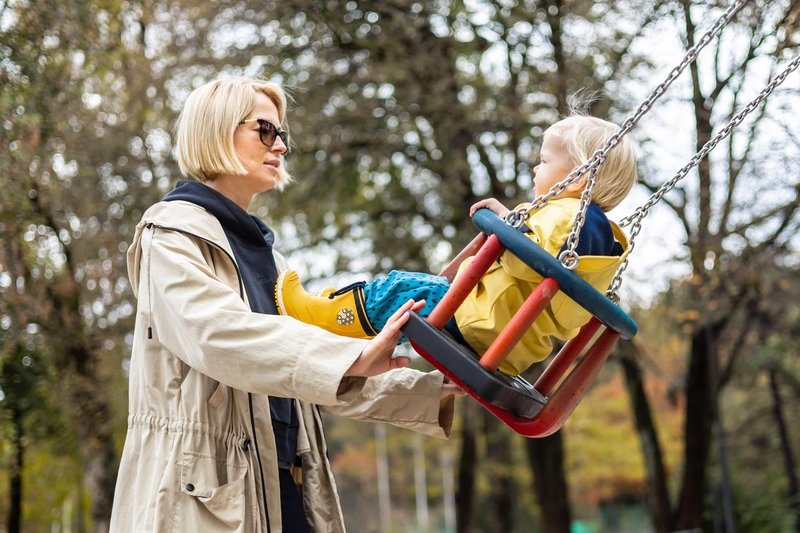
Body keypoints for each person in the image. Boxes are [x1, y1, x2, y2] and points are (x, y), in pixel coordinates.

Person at [110, 77, 462, 533]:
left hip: (282, 484)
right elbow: (218, 335)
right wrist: (349, 356)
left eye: (282, 135)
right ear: (216, 130)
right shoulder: (170, 235)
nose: (280, 146)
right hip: (198, 495)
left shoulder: (267, 255)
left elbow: (308, 375)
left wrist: (435, 389)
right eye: (265, 130)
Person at [276, 114, 637, 376]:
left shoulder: (567, 215)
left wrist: (508, 226)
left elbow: (529, 261)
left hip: (478, 322)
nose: (534, 169)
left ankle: (322, 317)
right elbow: (547, 258)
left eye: (543, 161)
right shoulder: (598, 236)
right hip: (507, 341)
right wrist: (513, 219)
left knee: (399, 289)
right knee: (408, 294)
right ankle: (337, 309)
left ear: (580, 178)